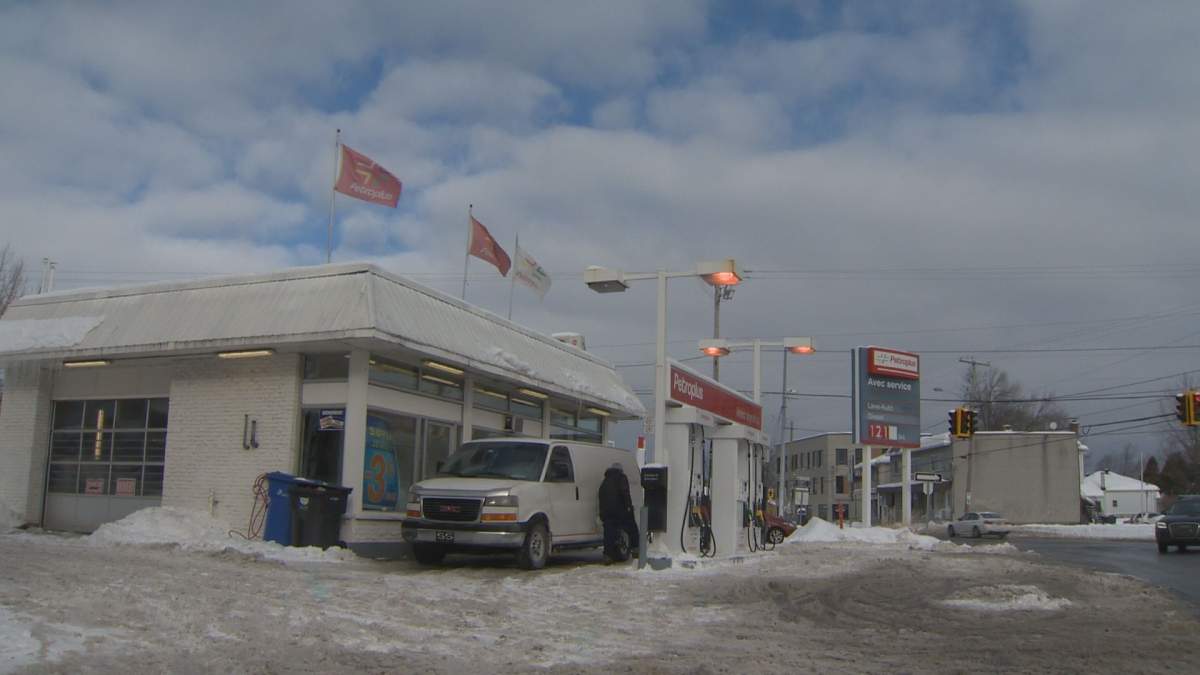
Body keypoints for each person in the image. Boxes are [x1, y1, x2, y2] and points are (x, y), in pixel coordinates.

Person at [598, 462, 635, 562]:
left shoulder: (605, 480)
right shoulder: (621, 477)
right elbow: (625, 492)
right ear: (620, 470)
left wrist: (602, 513)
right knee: (631, 525)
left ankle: (607, 555)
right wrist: (629, 507)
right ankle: (636, 549)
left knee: (608, 534)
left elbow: (601, 496)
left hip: (606, 512)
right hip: (619, 511)